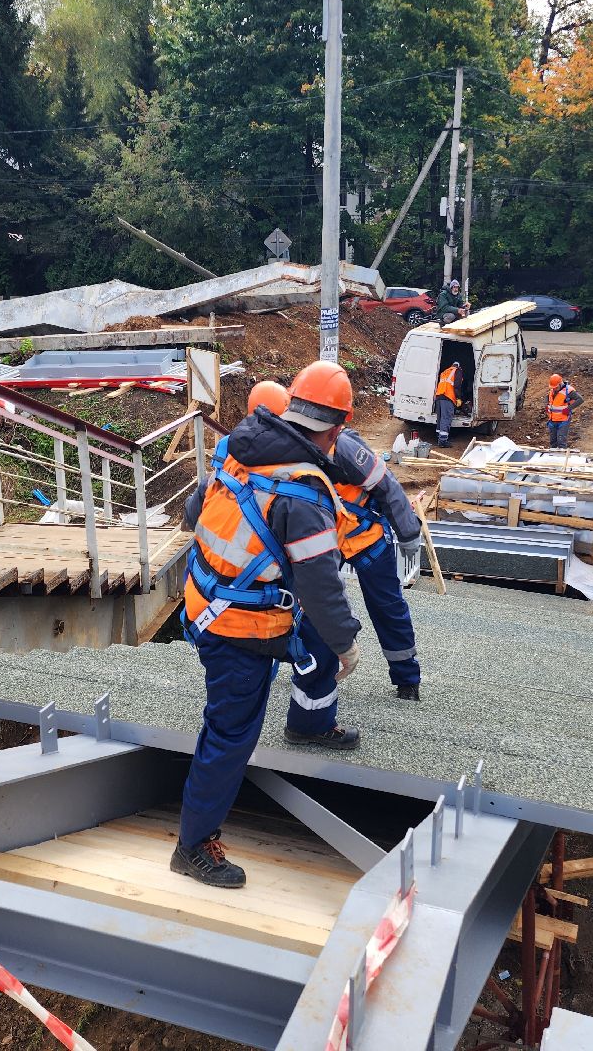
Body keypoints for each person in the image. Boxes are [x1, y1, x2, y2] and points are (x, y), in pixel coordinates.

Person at [173, 360, 363, 889]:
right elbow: (322, 586)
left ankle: (311, 722)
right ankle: (192, 847)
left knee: (230, 719)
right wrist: (346, 644)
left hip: (204, 603)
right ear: (337, 427)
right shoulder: (305, 494)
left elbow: (195, 513)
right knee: (232, 733)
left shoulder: (239, 446)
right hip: (240, 630)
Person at [320, 428, 425, 701]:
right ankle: (311, 669)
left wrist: (409, 532)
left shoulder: (343, 447)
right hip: (323, 541)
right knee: (308, 603)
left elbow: (387, 486)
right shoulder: (287, 449)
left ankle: (406, 678)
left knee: (387, 607)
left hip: (365, 538)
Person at [545, 373, 584, 449]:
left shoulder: (568, 391)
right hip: (552, 420)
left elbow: (580, 399)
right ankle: (553, 458)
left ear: (560, 384)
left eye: (555, 387)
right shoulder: (553, 389)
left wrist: (569, 408)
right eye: (553, 387)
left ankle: (562, 458)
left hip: (563, 420)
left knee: (561, 442)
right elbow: (548, 397)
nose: (554, 389)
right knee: (553, 441)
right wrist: (546, 405)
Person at [433, 360, 461, 447]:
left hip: (439, 396)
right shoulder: (457, 371)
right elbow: (457, 386)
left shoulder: (445, 371)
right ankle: (443, 441)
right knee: (446, 418)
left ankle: (439, 436)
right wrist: (458, 398)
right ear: (458, 366)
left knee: (440, 418)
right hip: (448, 397)